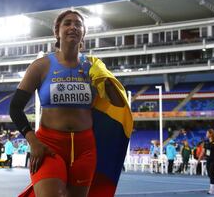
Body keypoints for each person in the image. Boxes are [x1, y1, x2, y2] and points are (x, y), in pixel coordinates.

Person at [9, 10, 132, 197]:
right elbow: (15, 108)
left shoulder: (92, 67)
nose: (73, 27)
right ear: (57, 31)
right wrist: (33, 141)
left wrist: (102, 75)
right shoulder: (41, 66)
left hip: (85, 149)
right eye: (67, 23)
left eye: (78, 24)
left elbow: (117, 102)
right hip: (49, 145)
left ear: (83, 33)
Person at [198, 129, 214, 195]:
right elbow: (203, 151)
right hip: (208, 159)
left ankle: (212, 190)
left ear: (211, 134)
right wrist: (199, 159)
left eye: (207, 133)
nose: (206, 134)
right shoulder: (206, 142)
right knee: (209, 174)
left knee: (211, 173)